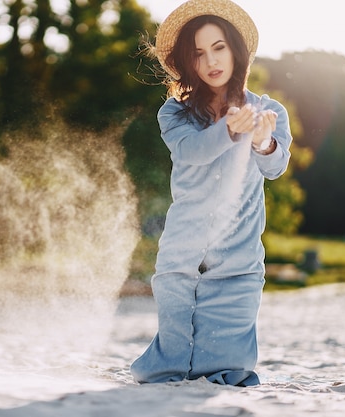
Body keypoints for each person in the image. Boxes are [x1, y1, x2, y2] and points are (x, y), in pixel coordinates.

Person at [130, 0, 292, 386]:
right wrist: (230, 130)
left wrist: (262, 140)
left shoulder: (269, 111)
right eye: (198, 53)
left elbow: (275, 167)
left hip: (238, 258)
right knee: (168, 365)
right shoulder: (174, 112)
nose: (211, 61)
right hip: (181, 253)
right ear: (189, 62)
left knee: (230, 371)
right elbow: (191, 152)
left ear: (236, 49)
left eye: (219, 47)